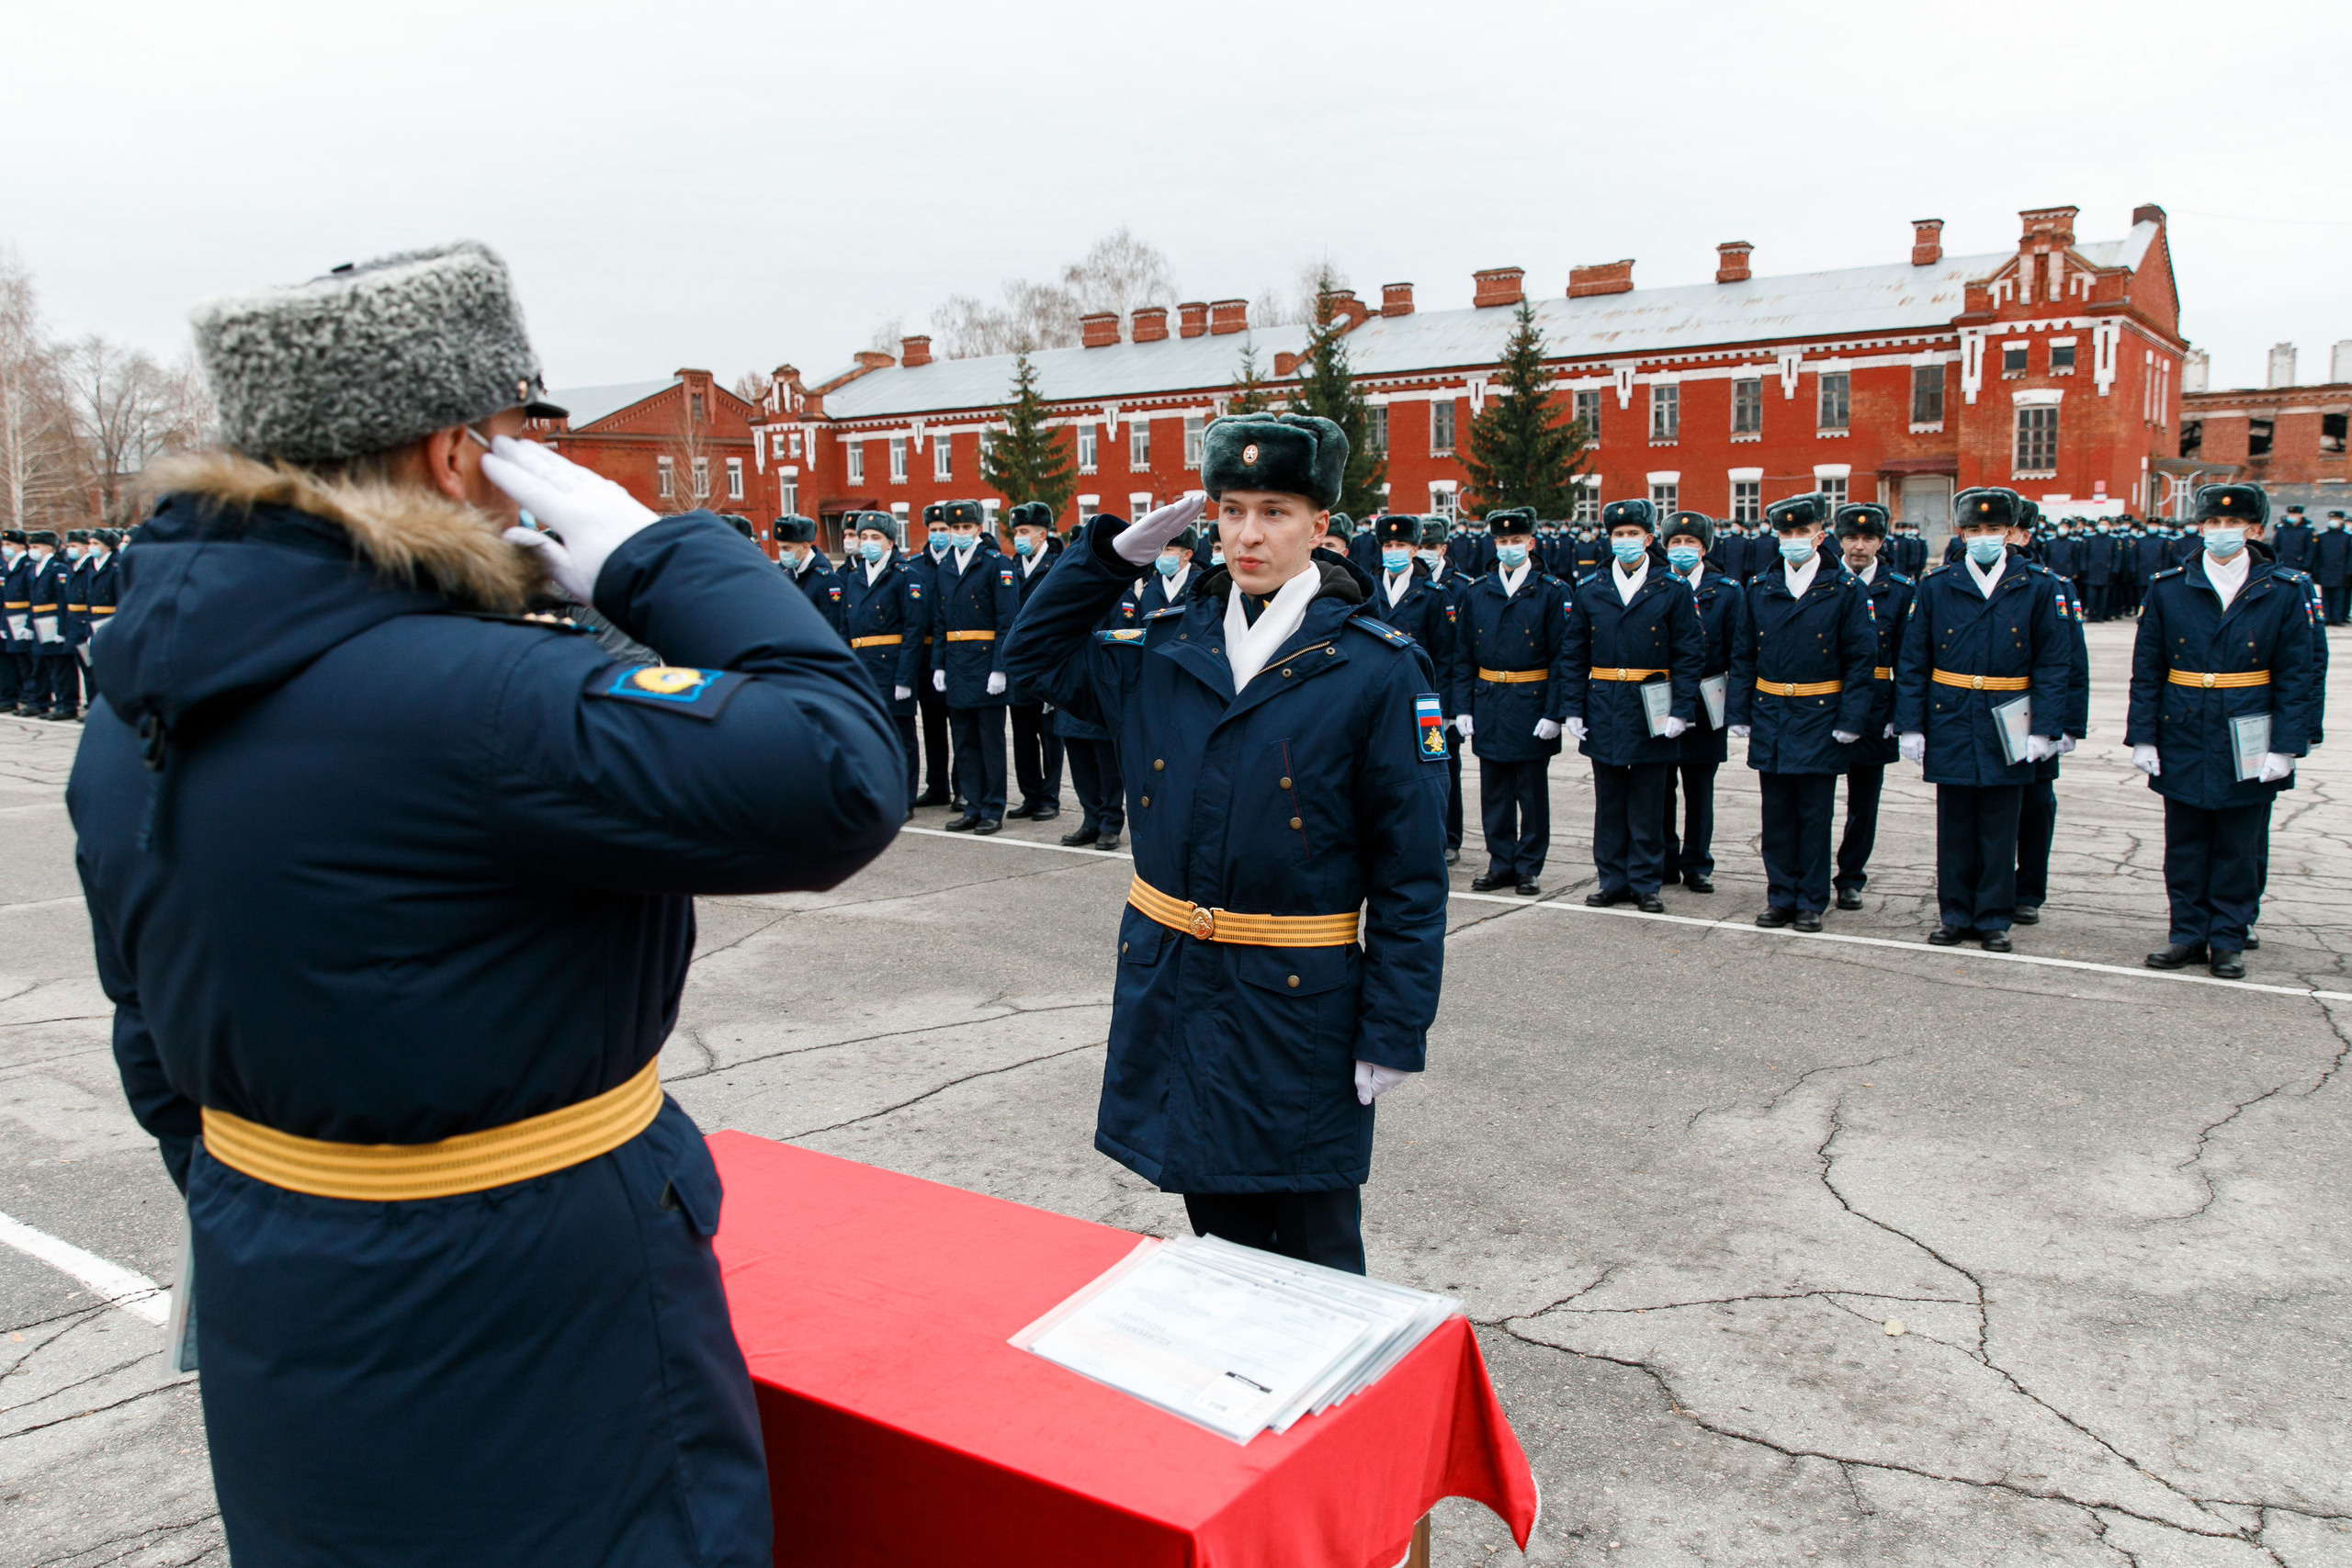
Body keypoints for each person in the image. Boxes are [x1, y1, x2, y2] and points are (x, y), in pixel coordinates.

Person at [71, 241, 904, 1568]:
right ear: (457, 455)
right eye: (516, 434)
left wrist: (307, 1197)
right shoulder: (489, 696)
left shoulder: (138, 697)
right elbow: (841, 771)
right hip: (546, 1329)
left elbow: (151, 1028)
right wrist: (663, 558)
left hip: (275, 1281)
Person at [1001, 412, 1447, 1275]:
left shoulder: (1376, 667)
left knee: (1315, 1254)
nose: (1248, 534)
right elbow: (1031, 660)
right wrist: (1108, 561)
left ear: (1320, 526)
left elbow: (1412, 873)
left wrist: (1395, 1026)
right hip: (1178, 983)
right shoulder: (1167, 646)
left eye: (1275, 511)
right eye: (1232, 510)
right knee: (1218, 1240)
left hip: (1298, 1005)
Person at [2129, 484, 2315, 979]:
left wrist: (2287, 746)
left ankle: (2228, 937)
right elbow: (2147, 669)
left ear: (2255, 530)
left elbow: (2299, 675)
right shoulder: (2168, 587)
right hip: (2183, 725)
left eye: (2232, 524)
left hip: (2249, 726)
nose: (2220, 532)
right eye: (2211, 523)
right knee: (2185, 843)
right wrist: (2143, 736)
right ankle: (2187, 934)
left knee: (2238, 844)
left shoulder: (2285, 589)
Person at [1893, 487, 2073, 951]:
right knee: (1955, 826)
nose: (1984, 537)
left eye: (1994, 529)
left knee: (2000, 825)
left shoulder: (2038, 585)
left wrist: (2045, 729)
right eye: (1975, 529)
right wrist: (1911, 725)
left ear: (2010, 532)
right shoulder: (1936, 585)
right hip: (1951, 715)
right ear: (1961, 533)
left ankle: (1993, 917)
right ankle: (1954, 914)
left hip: (2008, 718)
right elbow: (1913, 660)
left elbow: (2054, 663)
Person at [1725, 494, 1876, 931]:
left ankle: (1810, 899)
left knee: (1813, 814)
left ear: (1820, 537)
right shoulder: (1760, 588)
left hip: (1820, 713)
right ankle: (1780, 895)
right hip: (1772, 710)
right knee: (1775, 814)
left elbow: (1861, 660)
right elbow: (1744, 655)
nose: (1793, 539)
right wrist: (1739, 712)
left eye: (1802, 532)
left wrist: (1851, 719)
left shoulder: (1845, 589)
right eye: (1786, 532)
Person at [1561, 500, 1702, 912]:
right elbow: (1574, 653)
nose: (1625, 541)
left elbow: (1689, 653)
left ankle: (1645, 882)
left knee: (1647, 800)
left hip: (1650, 704)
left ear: (1649, 538)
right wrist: (1573, 708)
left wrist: (1681, 710)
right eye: (1618, 535)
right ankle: (1612, 879)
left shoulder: (1672, 587)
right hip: (1604, 702)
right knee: (1609, 801)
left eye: (1633, 534)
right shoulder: (1591, 589)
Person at [1453, 508, 1571, 897]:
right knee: (1494, 792)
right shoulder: (1477, 591)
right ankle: (1500, 862)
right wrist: (1463, 707)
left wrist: (1554, 713)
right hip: (1489, 700)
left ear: (1531, 543)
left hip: (1531, 702)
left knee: (1531, 793)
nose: (1508, 547)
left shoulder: (1551, 591)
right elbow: (1463, 655)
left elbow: (1562, 657)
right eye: (1502, 541)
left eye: (1516, 541)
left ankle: (1528, 866)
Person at [1362, 513, 1463, 864]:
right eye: (1388, 544)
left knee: (1433, 774)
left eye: (1401, 544)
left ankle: (1444, 838)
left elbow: (1447, 656)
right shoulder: (1368, 589)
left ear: (1415, 549)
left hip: (1423, 699)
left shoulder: (1433, 594)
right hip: (1378, 696)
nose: (1393, 550)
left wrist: (1447, 708)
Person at [1829, 504, 1913, 910]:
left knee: (1864, 800)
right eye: (1851, 538)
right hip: (1826, 699)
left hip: (1876, 706)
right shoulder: (1825, 580)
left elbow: (1909, 660)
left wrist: (1901, 714)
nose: (1859, 546)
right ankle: (1811, 873)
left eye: (1868, 539)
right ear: (1839, 540)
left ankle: (1850, 876)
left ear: (1881, 542)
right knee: (1815, 796)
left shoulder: (1900, 589)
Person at [2013, 513, 2089, 925]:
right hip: (1982, 713)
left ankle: (2028, 890)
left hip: (2037, 713)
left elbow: (2073, 662)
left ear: (2024, 536)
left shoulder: (2055, 586)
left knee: (2036, 806)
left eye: (2008, 531)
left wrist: (2068, 725)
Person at [1659, 513, 1739, 894]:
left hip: (1708, 700)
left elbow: (1738, 651)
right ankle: (1664, 859)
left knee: (1699, 788)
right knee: (1661, 786)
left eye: (1690, 542)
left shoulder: (1726, 592)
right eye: (1675, 542)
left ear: (1704, 548)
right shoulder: (1657, 585)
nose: (1682, 549)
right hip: (1662, 697)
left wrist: (1735, 707)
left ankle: (1696, 863)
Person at [931, 498, 1021, 833]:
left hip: (985, 666)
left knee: (990, 743)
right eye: (954, 527)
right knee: (964, 742)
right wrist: (939, 665)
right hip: (957, 664)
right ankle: (972, 805)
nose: (959, 532)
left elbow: (1007, 620)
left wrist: (1000, 668)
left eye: (965, 527)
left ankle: (993, 808)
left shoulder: (996, 564)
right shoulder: (945, 566)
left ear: (979, 529)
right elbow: (940, 620)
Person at [842, 512, 926, 813]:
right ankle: (876, 794)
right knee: (869, 737)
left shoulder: (904, 576)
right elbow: (845, 628)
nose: (868, 543)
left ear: (890, 542)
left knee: (901, 738)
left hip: (892, 668)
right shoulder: (854, 578)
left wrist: (904, 678)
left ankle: (904, 799)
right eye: (863, 537)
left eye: (875, 537)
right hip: (863, 667)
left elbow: (913, 631)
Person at [1003, 501, 1064, 821]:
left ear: (1042, 535)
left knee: (1050, 736)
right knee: (1023, 737)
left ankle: (1050, 798)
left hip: (1046, 665)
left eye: (1024, 531)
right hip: (1019, 666)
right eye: (1016, 532)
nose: (1019, 537)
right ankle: (1030, 795)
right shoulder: (1011, 567)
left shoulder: (1057, 567)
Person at [908, 502, 956, 807]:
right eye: (934, 529)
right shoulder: (915, 566)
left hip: (957, 652)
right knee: (933, 726)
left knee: (961, 727)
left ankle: (963, 789)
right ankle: (937, 786)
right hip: (926, 655)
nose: (938, 534)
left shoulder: (958, 560)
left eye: (943, 529)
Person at [24, 530, 74, 719]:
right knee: (41, 664)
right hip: (39, 620)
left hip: (52, 620)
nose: (32, 550)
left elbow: (62, 601)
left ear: (49, 548)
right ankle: (40, 702)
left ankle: (65, 704)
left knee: (60, 666)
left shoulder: (57, 568)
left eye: (36, 547)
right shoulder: (35, 568)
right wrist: (29, 625)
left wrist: (61, 629)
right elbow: (33, 600)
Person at [777, 513, 846, 634]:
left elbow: (833, 626)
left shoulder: (827, 580)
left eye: (786, 549)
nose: (782, 553)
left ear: (804, 547)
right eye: (780, 548)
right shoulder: (783, 574)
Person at [2313, 511, 2351, 625]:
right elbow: (2316, 555)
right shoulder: (2322, 536)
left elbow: (2349, 556)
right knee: (2325, 596)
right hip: (2325, 570)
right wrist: (2315, 570)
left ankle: (2337, 618)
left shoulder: (2347, 537)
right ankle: (2326, 617)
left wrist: (2348, 572)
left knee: (2339, 596)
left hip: (2341, 571)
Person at [2273, 504, 2313, 573]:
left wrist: (2306, 565)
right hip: (2282, 564)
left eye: (2294, 514)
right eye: (2290, 514)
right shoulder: (2281, 529)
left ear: (2300, 515)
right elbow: (2275, 547)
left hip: (2298, 565)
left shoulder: (2308, 530)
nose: (2292, 516)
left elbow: (2310, 550)